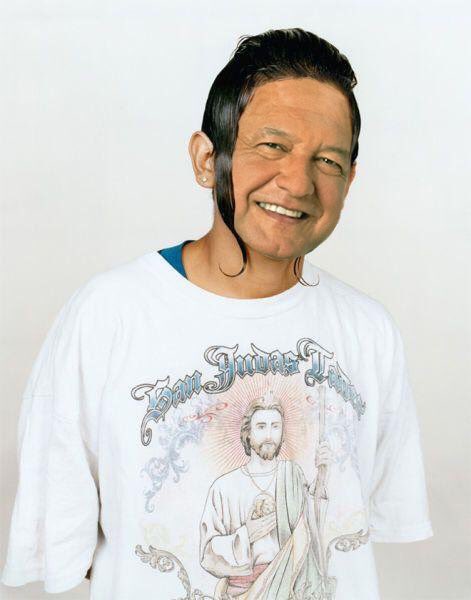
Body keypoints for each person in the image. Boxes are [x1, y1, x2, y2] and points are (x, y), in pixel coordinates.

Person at [1, 28, 433, 600]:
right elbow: (70, 542)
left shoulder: (369, 332)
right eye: (272, 146)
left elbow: (340, 532)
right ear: (208, 159)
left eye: (327, 160)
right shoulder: (108, 316)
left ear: (349, 181)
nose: (297, 182)